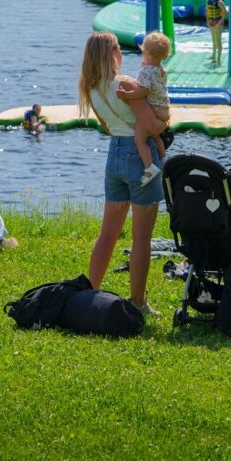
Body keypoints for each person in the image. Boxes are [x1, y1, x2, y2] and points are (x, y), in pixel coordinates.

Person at [78, 31, 163, 316]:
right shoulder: (125, 84)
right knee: (141, 237)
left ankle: (89, 293)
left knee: (108, 234)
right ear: (112, 52)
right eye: (118, 47)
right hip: (140, 158)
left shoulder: (90, 88)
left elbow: (106, 126)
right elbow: (151, 124)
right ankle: (138, 302)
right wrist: (167, 120)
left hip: (114, 154)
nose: (122, 52)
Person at [118, 32, 171, 186]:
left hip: (153, 111)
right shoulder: (161, 70)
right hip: (163, 111)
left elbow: (143, 91)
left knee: (139, 140)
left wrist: (127, 95)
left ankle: (149, 168)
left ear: (145, 51)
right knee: (156, 137)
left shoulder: (145, 72)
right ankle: (163, 159)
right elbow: (154, 86)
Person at [206, 0, 228, 66]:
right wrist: (207, 20)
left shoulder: (220, 2)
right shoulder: (208, 0)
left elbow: (225, 12)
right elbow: (207, 10)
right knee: (213, 39)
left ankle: (219, 58)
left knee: (218, 40)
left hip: (218, 21)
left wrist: (221, 21)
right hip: (212, 20)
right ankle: (213, 56)